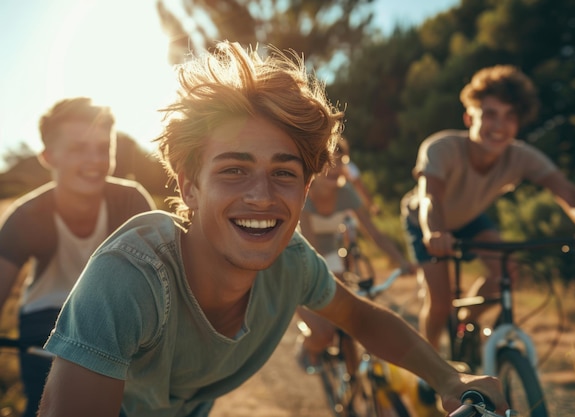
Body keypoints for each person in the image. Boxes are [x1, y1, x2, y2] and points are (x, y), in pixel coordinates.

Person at [38, 42, 506, 417]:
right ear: (190, 185)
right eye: (234, 170)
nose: (262, 196)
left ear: (305, 189)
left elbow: (361, 317)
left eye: (285, 173)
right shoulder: (129, 279)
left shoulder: (292, 261)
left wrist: (449, 378)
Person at [400, 64, 575, 350]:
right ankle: (430, 364)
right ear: (469, 118)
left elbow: (569, 192)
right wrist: (434, 233)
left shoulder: (520, 156)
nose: (499, 126)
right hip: (425, 220)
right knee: (441, 302)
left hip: (469, 217)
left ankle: (465, 321)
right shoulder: (441, 147)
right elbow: (431, 197)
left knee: (507, 273)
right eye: (490, 114)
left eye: (510, 116)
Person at [0, 97, 156, 417]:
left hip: (117, 327)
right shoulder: (26, 216)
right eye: (78, 148)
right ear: (48, 156)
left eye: (103, 148)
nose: (94, 160)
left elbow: (158, 283)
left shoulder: (131, 201)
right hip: (44, 329)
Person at [296, 140, 415, 372]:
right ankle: (307, 347)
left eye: (342, 161)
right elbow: (310, 249)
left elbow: (375, 234)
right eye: (329, 162)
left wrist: (402, 261)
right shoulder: (304, 194)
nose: (336, 167)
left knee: (350, 320)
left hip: (330, 254)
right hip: (301, 262)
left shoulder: (346, 192)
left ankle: (353, 381)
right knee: (324, 334)